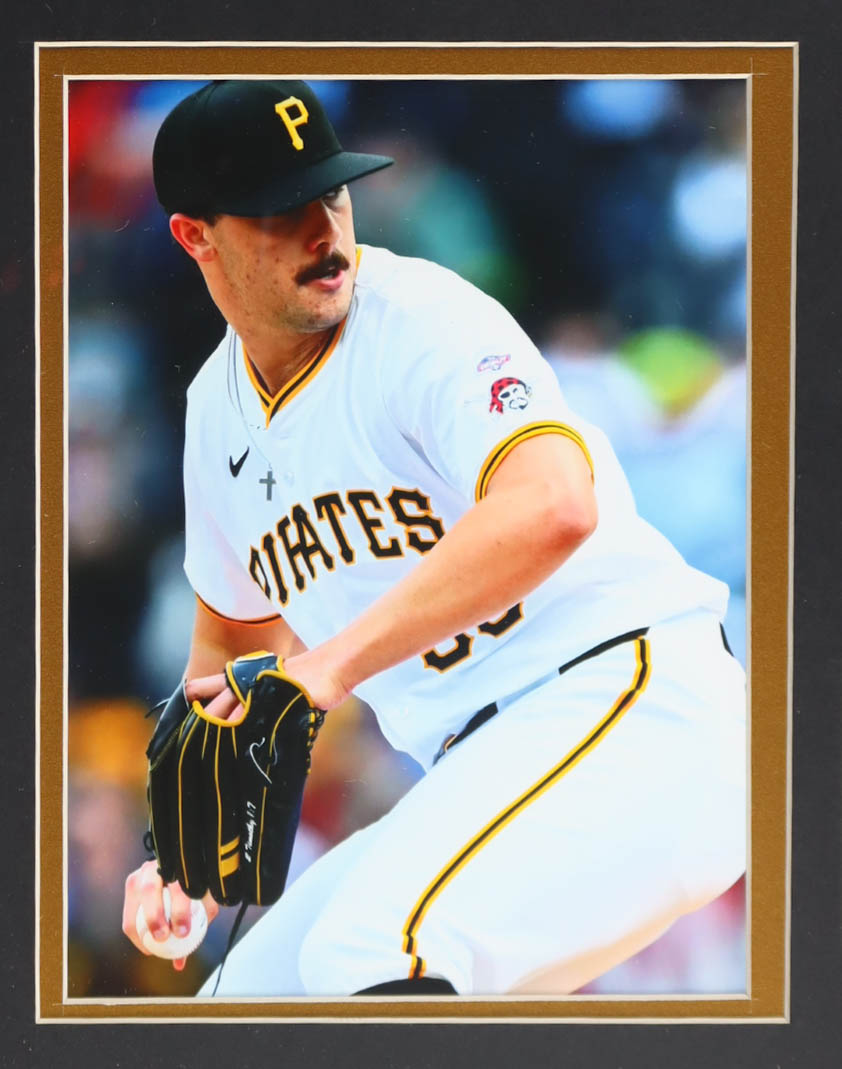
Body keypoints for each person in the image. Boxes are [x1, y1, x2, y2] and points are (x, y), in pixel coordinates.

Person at [121, 79, 746, 997]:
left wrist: (328, 667)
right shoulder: (214, 413)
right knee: (242, 1005)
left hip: (634, 705)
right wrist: (187, 859)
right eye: (280, 210)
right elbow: (233, 651)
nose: (323, 230)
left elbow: (554, 504)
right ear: (195, 236)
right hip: (482, 766)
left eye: (331, 193)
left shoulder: (420, 319)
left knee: (374, 955)